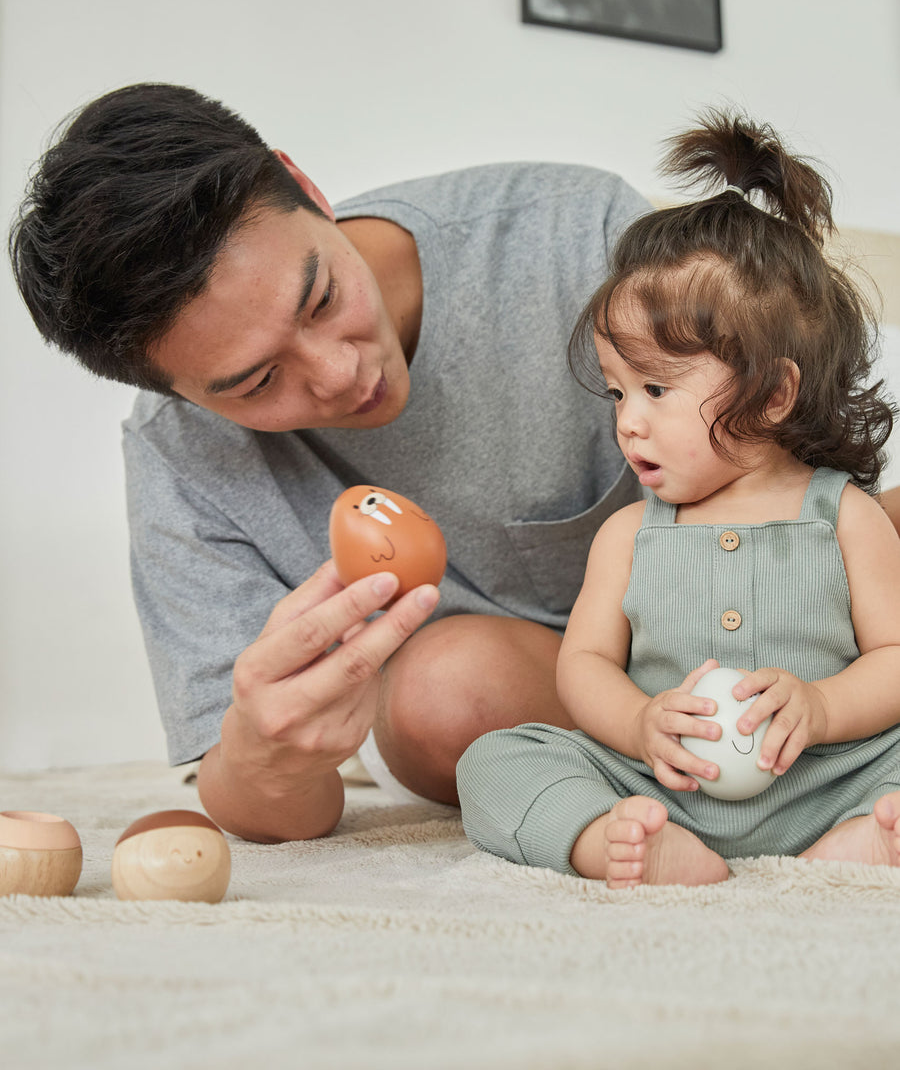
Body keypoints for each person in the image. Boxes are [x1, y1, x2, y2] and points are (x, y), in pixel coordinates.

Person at [8, 83, 652, 842]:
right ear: (178, 394)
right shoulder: (177, 454)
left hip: (738, 627)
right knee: (444, 694)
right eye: (258, 382)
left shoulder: (575, 238)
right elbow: (267, 806)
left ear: (307, 188)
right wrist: (261, 755)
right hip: (508, 697)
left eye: (319, 298)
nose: (338, 373)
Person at [457, 109, 900, 888]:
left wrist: (824, 708)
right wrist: (637, 722)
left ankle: (865, 838)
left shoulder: (846, 518)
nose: (629, 422)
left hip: (828, 780)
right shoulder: (630, 535)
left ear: (771, 397)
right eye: (619, 392)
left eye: (657, 388)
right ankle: (611, 836)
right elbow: (585, 663)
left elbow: (896, 659)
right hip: (667, 786)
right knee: (496, 760)